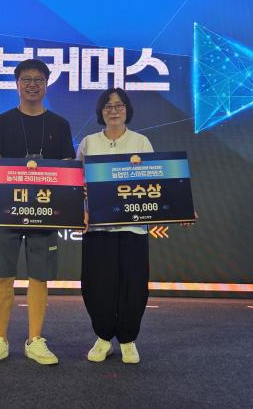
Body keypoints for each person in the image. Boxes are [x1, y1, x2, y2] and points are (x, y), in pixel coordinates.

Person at [0, 59, 75, 366]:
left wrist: (70, 209)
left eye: (38, 79)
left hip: (45, 212)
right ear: (17, 84)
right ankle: (0, 339)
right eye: (26, 79)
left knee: (40, 276)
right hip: (6, 212)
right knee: (3, 275)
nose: (32, 84)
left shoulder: (59, 124)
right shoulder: (2, 121)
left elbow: (68, 168)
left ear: (46, 84)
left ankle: (35, 340)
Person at [77, 88, 153, 364]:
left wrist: (180, 206)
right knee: (97, 285)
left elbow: (157, 181)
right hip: (98, 229)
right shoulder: (88, 142)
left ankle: (128, 340)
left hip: (133, 229)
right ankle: (103, 337)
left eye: (119, 105)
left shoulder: (141, 141)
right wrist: (81, 210)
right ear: (101, 111)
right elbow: (76, 184)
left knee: (134, 285)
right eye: (108, 106)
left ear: (127, 109)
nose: (113, 110)